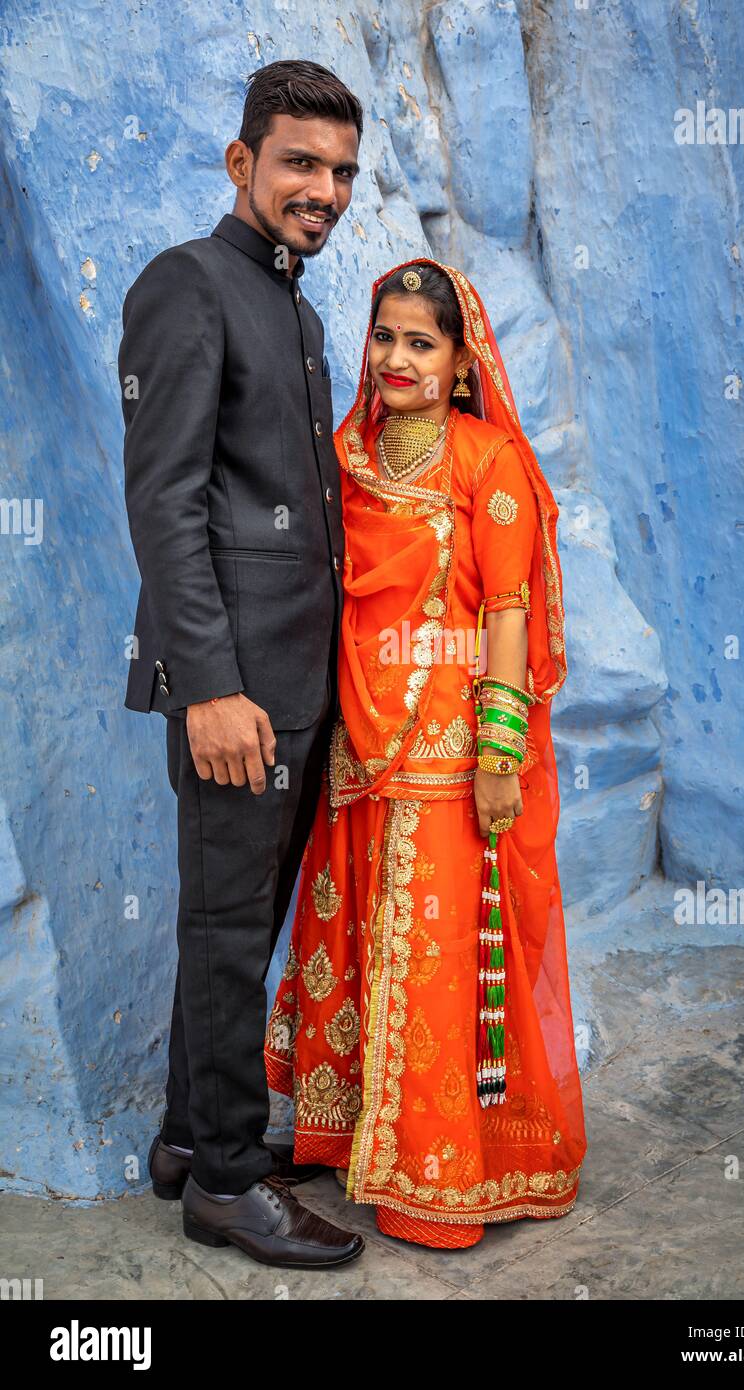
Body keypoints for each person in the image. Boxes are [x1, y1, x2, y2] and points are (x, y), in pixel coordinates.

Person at [264, 257, 588, 1250]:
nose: (395, 357)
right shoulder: (346, 451)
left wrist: (499, 753)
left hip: (448, 756)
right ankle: (348, 1137)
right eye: (385, 336)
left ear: (457, 363)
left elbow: (504, 612)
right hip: (353, 749)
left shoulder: (485, 464)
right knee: (353, 940)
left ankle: (439, 1174)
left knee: (438, 959)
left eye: (420, 342)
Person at [119, 59, 366, 1268]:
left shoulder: (299, 308)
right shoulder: (189, 285)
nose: (320, 189)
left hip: (297, 687)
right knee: (226, 929)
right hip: (233, 689)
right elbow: (163, 501)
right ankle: (224, 1181)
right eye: (298, 163)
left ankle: (183, 1137)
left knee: (242, 922)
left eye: (338, 172)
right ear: (242, 163)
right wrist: (210, 685)